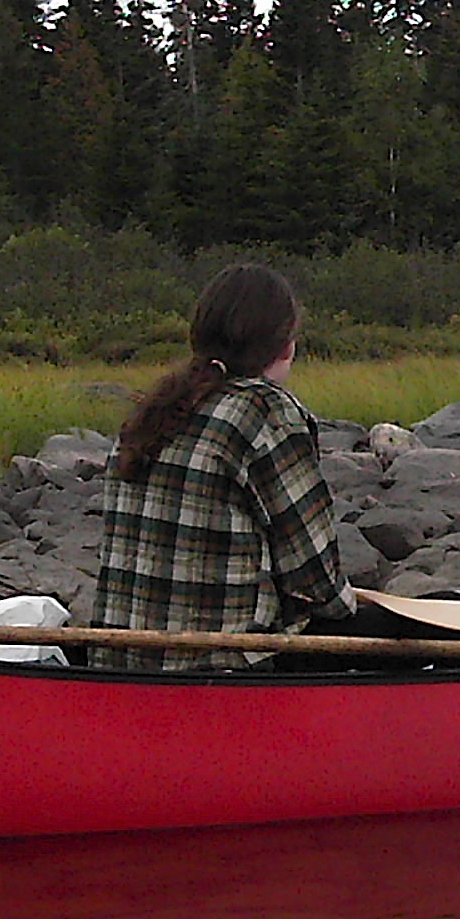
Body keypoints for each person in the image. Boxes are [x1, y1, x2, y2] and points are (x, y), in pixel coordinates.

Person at [90, 264, 359, 670]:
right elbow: (315, 581)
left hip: (118, 662)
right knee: (435, 622)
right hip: (219, 669)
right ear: (285, 345)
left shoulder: (156, 410)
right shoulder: (266, 410)